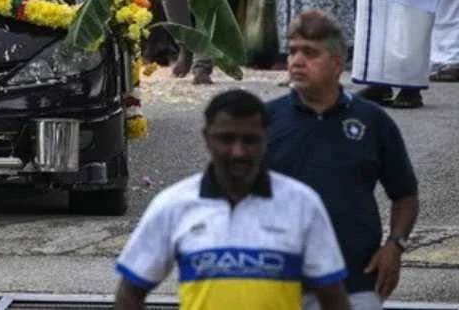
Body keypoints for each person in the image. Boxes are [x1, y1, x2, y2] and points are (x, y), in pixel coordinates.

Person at [113, 89, 350, 310]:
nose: (238, 152)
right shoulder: (173, 204)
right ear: (207, 137)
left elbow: (333, 296)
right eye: (226, 139)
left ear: (266, 139)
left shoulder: (302, 204)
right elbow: (130, 291)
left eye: (250, 140)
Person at [267, 10, 419, 310]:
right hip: (277, 283)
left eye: (310, 53)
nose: (297, 61)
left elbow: (405, 195)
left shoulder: (373, 122)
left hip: (355, 282)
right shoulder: (265, 120)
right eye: (292, 50)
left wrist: (395, 245)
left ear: (338, 63)